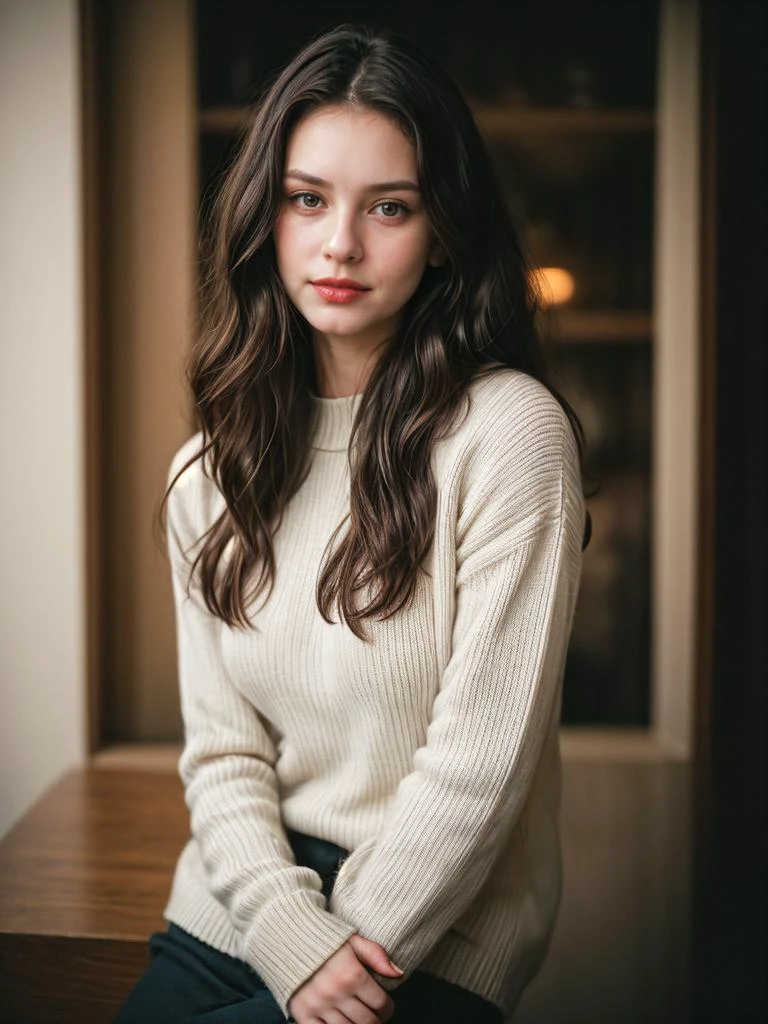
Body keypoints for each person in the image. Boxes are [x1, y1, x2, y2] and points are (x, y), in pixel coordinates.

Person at [115, 21, 591, 1024]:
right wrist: (290, 935)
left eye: (391, 207)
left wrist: (346, 958)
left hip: (426, 928)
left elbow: (480, 765)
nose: (341, 243)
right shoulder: (210, 469)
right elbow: (223, 753)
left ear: (444, 231)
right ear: (267, 216)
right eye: (307, 199)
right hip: (238, 907)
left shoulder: (509, 436)